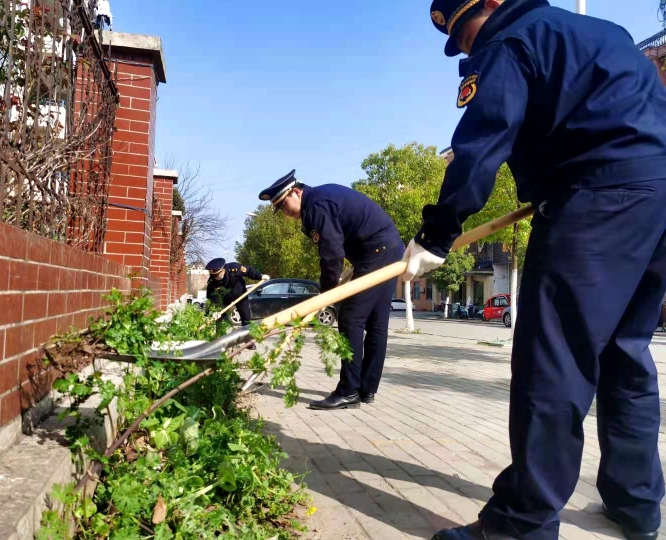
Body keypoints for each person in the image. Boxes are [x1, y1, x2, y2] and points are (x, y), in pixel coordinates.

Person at [403, 1, 666, 538]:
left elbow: (484, 139)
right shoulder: (602, 32)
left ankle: (520, 525)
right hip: (657, 197)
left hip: (598, 203)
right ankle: (636, 505)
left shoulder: (511, 37)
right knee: (625, 354)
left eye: (466, 31)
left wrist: (438, 229)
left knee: (553, 362)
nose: (468, 46)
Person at [259, 170, 404, 410]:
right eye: (280, 209)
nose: (284, 212)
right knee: (376, 322)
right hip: (387, 249)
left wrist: (325, 294)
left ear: (297, 192)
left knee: (350, 318)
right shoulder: (320, 199)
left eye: (284, 204)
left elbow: (331, 255)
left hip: (376, 252)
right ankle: (365, 390)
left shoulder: (317, 207)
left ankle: (349, 391)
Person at [205, 258, 268, 346]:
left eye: (216, 275)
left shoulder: (234, 268)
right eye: (213, 275)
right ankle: (221, 342)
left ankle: (248, 341)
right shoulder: (212, 281)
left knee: (246, 318)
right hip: (224, 299)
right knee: (220, 320)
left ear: (222, 270)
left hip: (240, 295)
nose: (215, 277)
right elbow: (212, 296)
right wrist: (216, 309)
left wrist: (260, 276)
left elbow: (249, 271)